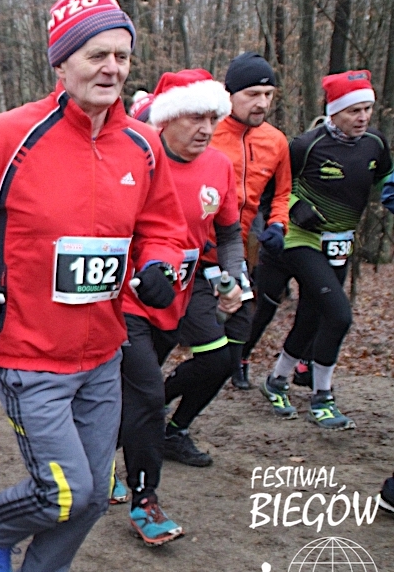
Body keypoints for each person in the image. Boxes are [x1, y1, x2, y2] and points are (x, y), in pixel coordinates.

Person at [0, 0, 187, 572]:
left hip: (102, 351)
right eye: (97, 54)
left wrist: (159, 266)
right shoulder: (8, 137)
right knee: (65, 488)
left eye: (121, 56)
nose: (112, 69)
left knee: (91, 493)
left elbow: (164, 228)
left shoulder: (143, 145)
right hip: (27, 351)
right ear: (61, 62)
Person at [118, 69, 242, 545]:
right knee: (148, 395)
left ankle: (105, 456)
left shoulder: (219, 167)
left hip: (179, 298)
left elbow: (228, 233)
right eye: (194, 117)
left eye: (212, 118)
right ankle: (144, 500)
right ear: (166, 118)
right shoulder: (134, 157)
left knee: (135, 394)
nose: (206, 129)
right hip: (125, 300)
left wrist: (235, 277)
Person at [257, 70, 391, 428]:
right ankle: (322, 397)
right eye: (353, 111)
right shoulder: (306, 145)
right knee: (339, 315)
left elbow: (384, 178)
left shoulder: (375, 143)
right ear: (334, 112)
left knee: (311, 317)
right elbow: (275, 188)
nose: (362, 117)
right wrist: (296, 205)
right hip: (301, 240)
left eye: (367, 109)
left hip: (340, 242)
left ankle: (276, 381)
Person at [206, 52, 292, 390]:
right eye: (253, 94)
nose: (262, 103)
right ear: (230, 94)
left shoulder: (276, 141)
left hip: (238, 247)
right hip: (197, 245)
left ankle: (232, 368)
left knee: (239, 321)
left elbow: (282, 193)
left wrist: (277, 225)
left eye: (268, 94)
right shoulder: (208, 131)